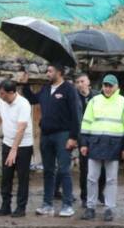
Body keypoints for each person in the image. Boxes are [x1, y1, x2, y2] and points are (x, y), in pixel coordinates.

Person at [20, 65, 80, 217]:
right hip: (46, 135)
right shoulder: (46, 89)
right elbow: (33, 99)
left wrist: (73, 137)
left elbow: (76, 115)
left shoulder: (69, 89)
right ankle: (47, 205)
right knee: (48, 171)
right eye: (47, 71)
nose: (47, 73)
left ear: (60, 72)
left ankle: (67, 205)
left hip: (63, 135)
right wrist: (25, 84)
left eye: (50, 71)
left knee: (64, 170)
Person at [79, 75, 124, 221]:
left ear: (116, 86)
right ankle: (90, 207)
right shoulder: (94, 101)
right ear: (102, 86)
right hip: (95, 144)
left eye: (110, 86)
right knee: (91, 178)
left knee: (111, 179)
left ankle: (109, 209)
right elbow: (86, 124)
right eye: (105, 85)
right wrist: (84, 144)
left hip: (114, 146)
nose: (107, 88)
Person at [0, 80, 34, 217]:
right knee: (6, 176)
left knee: (23, 177)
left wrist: (14, 150)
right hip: (7, 143)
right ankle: (5, 206)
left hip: (23, 146)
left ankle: (21, 208)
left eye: (2, 94)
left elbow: (21, 129)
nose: (0, 96)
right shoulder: (3, 101)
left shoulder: (23, 104)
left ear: (11, 92)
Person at [75, 74, 105, 207]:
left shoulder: (98, 96)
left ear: (88, 83)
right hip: (83, 135)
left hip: (98, 135)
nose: (80, 84)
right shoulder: (74, 97)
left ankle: (100, 193)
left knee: (102, 167)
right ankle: (85, 196)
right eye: (77, 82)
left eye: (82, 81)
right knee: (85, 168)